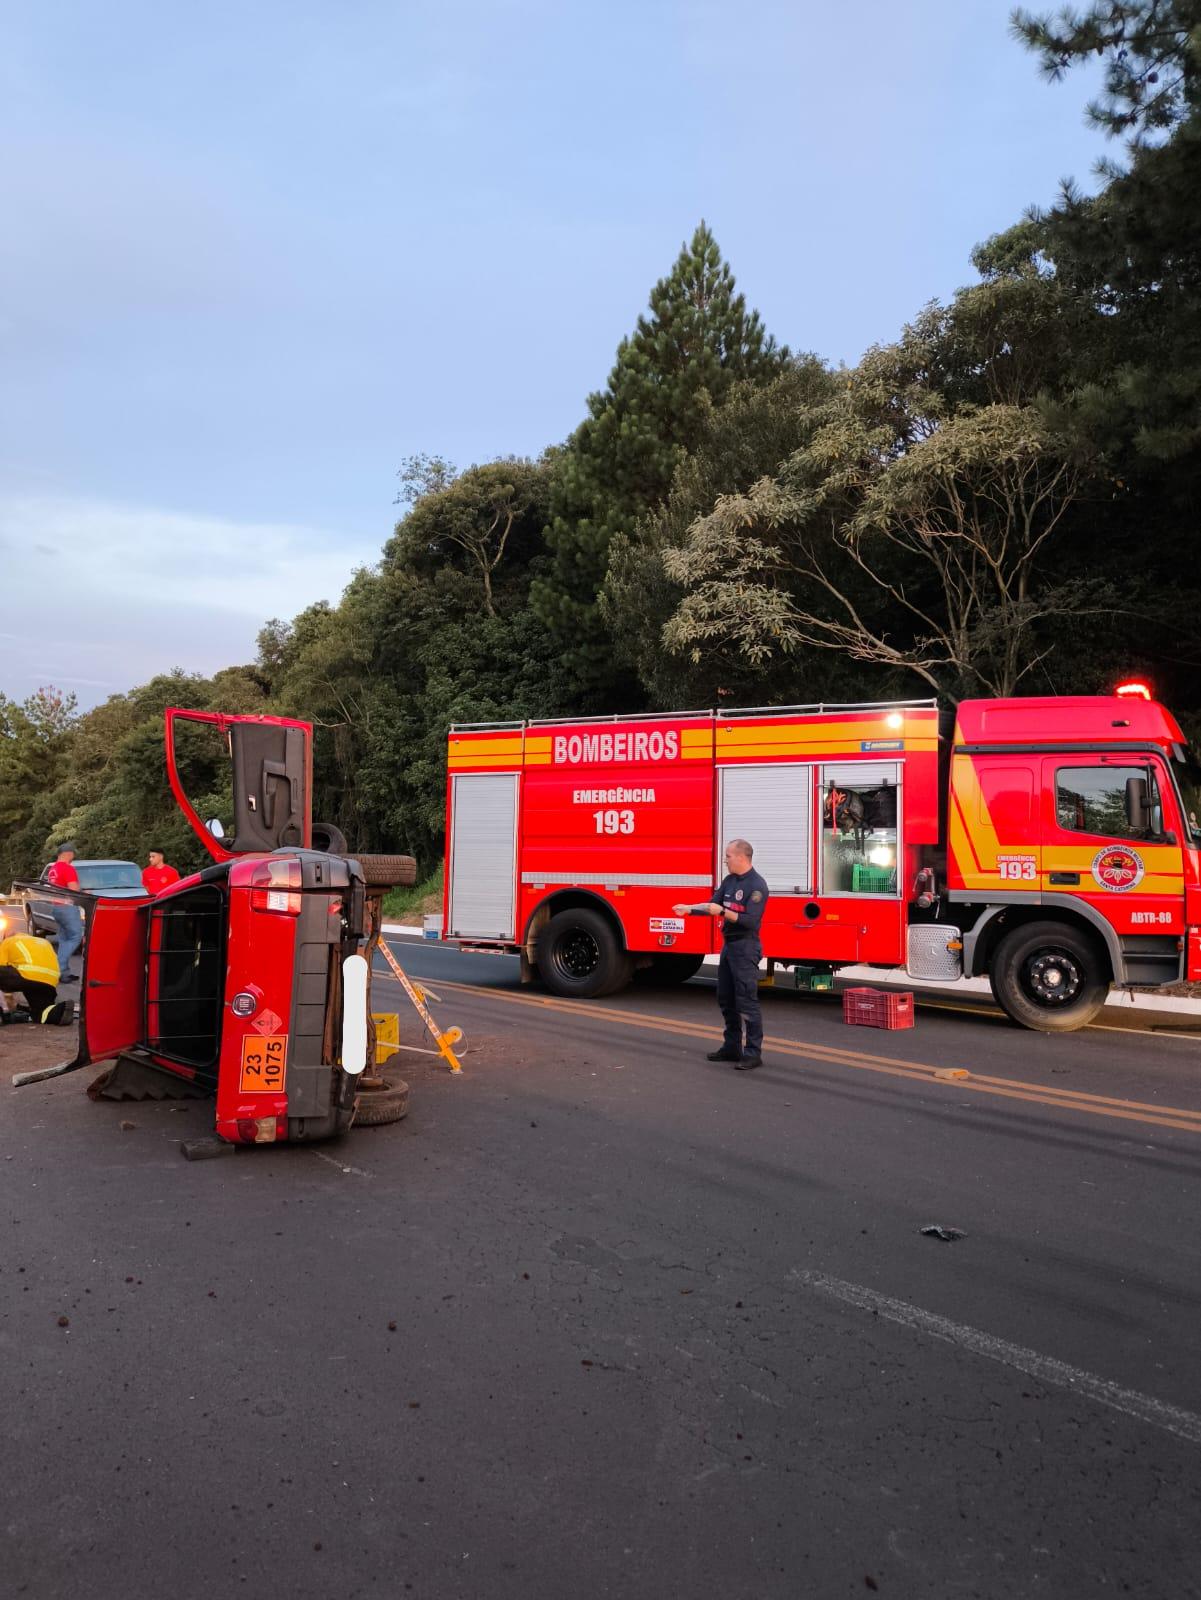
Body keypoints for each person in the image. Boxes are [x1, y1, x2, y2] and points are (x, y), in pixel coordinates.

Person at [673, 838, 769, 1070]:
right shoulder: (729, 881)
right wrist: (689, 909)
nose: (725, 859)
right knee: (726, 998)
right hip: (729, 947)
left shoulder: (757, 885)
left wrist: (724, 912)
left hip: (745, 947)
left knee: (746, 1001)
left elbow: (751, 922)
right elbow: (711, 906)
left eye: (728, 855)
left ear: (741, 857)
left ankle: (753, 1053)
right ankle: (732, 1047)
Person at [0, 931, 73, 1025]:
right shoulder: (43, 942)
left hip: (27, 975)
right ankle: (60, 1010)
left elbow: (2, 967)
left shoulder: (8, 941)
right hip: (50, 981)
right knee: (41, 1014)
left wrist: (8, 999)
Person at [44, 841, 84, 983]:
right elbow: (73, 889)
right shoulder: (68, 868)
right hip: (67, 907)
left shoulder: (53, 869)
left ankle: (64, 973)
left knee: (64, 939)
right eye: (72, 854)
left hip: (56, 906)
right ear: (68, 854)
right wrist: (83, 891)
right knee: (76, 937)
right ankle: (59, 969)